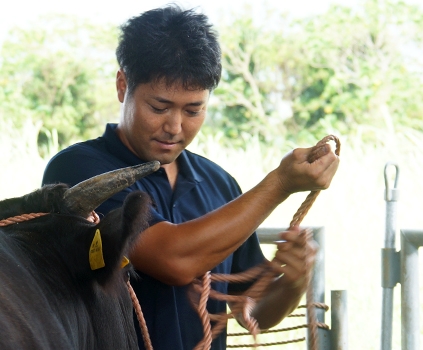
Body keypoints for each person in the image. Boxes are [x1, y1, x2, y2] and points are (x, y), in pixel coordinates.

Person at [42, 5, 339, 350]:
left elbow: (252, 311)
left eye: (193, 110)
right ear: (123, 85)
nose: (175, 127)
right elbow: (174, 260)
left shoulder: (219, 184)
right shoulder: (78, 172)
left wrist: (292, 283)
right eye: (159, 107)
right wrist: (280, 184)